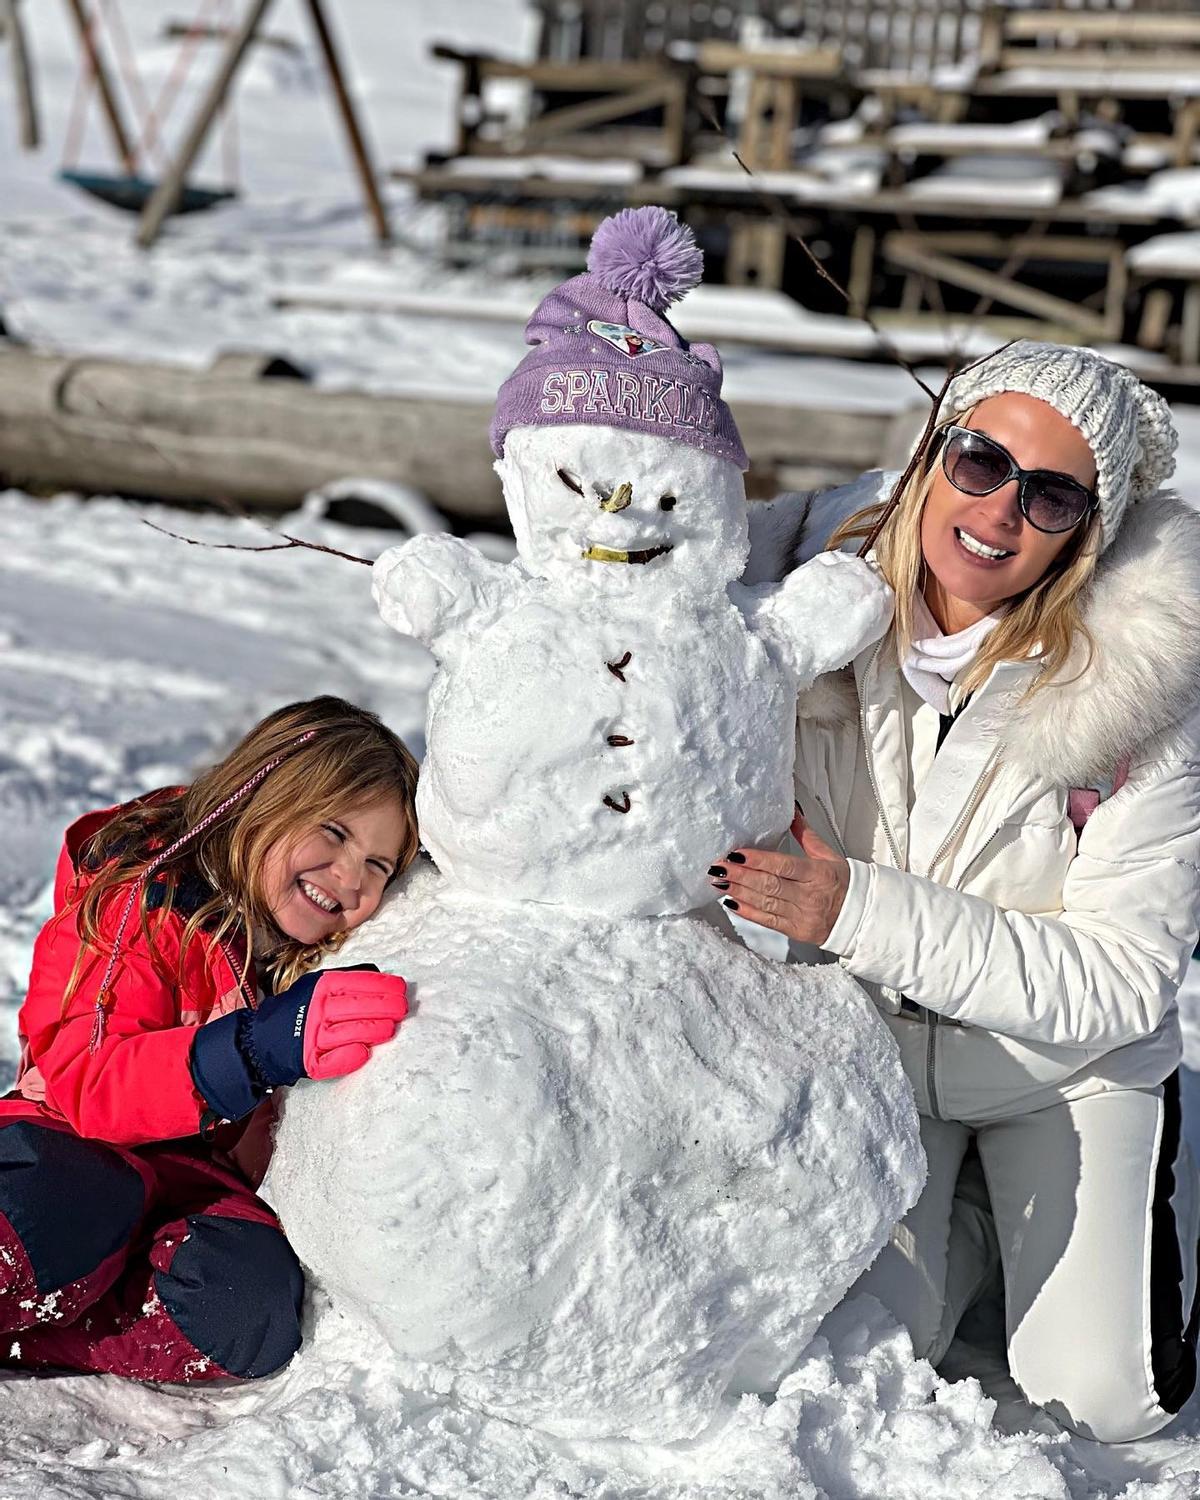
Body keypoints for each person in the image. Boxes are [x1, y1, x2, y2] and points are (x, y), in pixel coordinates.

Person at [709, 341, 1200, 1442]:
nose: (1001, 512)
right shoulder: (795, 611)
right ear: (934, 452)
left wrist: (852, 909)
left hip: (1063, 1073)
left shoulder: (1151, 685)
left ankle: (1152, 1180)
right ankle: (972, 1229)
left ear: (1088, 531)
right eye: (982, 461)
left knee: (1108, 1403)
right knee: (870, 1349)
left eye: (1053, 496)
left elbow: (1123, 980)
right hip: (877, 1060)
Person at [0, 695, 418, 1383]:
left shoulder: (323, 953)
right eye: (334, 832)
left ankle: (48, 1334)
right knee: (61, 1206)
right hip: (66, 1146)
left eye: (379, 865)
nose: (350, 877)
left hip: (190, 1186)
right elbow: (88, 1085)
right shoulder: (143, 901)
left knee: (247, 1307)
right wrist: (255, 1049)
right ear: (261, 799)